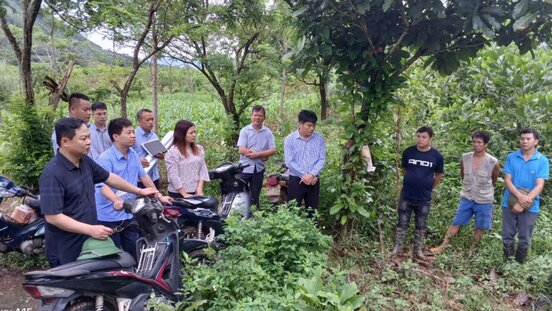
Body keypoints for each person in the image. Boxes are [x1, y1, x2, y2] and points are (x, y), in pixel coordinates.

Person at [39, 118, 159, 267]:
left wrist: (140, 190)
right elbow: (53, 217)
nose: (89, 142)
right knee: (73, 287)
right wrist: (90, 229)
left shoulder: (85, 162)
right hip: (65, 247)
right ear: (65, 141)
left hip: (88, 242)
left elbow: (109, 177)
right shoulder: (53, 174)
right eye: (83, 138)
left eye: (89, 137)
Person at [95, 117, 172, 260]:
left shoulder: (133, 154)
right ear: (116, 136)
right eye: (129, 133)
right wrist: (116, 201)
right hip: (109, 216)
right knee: (114, 256)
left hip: (130, 213)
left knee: (135, 251)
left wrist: (160, 196)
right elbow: (102, 187)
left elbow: (144, 178)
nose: (133, 136)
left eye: (133, 132)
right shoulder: (105, 159)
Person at [430, 131, 500, 254]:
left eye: (479, 142)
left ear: (485, 145)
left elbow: (493, 179)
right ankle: (443, 245)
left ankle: (472, 250)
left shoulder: (492, 162)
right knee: (456, 221)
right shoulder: (465, 157)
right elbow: (463, 175)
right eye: (474, 142)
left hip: (484, 198)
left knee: (480, 226)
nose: (476, 145)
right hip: (467, 196)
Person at [391, 126, 444, 259]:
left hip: (424, 197)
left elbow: (438, 175)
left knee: (421, 224)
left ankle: (417, 250)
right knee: (402, 221)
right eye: (418, 136)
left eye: (424, 137)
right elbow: (405, 169)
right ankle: (398, 247)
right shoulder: (408, 152)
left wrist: (429, 187)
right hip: (407, 194)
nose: (420, 139)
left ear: (430, 139)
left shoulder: (436, 156)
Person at [501, 128, 549, 264]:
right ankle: (507, 265)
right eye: (522, 139)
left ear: (536, 141)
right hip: (508, 203)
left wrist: (523, 202)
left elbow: (539, 185)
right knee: (507, 236)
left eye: (528, 139)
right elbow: (507, 180)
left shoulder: (542, 160)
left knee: (524, 237)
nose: (524, 141)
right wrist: (520, 197)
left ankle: (518, 266)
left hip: (531, 205)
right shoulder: (512, 157)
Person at [284, 110, 326, 215]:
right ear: (300, 124)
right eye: (309, 125)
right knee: (293, 211)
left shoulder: (319, 139)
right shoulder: (289, 140)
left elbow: (322, 159)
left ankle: (312, 230)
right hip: (296, 180)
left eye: (314, 125)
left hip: (314, 180)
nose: (312, 128)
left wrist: (311, 174)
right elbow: (290, 162)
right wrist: (304, 175)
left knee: (312, 212)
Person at [237, 105, 276, 207]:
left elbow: (273, 150)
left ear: (264, 118)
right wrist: (261, 155)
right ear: (251, 116)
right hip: (244, 168)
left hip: (258, 169)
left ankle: (254, 218)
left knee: (255, 195)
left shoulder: (268, 132)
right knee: (241, 195)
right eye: (255, 115)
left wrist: (258, 154)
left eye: (260, 115)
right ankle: (240, 217)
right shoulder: (245, 131)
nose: (257, 117)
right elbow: (241, 149)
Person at [165, 120, 210, 199]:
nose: (194, 135)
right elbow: (173, 176)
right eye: (191, 133)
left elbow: (203, 169)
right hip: (178, 193)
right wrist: (184, 194)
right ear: (182, 135)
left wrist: (199, 189)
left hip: (195, 191)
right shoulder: (173, 152)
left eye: (195, 132)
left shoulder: (199, 149)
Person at [133, 109, 162, 189]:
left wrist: (161, 155)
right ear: (139, 121)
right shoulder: (133, 136)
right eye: (147, 120)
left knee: (155, 200)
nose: (151, 122)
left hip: (154, 177)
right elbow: (125, 154)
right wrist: (137, 160)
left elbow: (159, 153)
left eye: (152, 119)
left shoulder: (154, 136)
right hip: (139, 178)